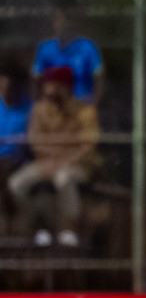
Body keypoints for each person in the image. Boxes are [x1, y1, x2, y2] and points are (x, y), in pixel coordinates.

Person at [8, 66, 98, 248]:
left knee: (63, 179)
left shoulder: (84, 111)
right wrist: (56, 157)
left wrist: (67, 159)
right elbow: (35, 142)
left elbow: (88, 146)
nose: (48, 90)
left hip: (74, 165)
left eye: (54, 85)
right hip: (45, 163)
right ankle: (39, 225)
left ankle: (67, 230)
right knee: (16, 184)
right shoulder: (40, 109)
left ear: (65, 86)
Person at [32, 7, 104, 104]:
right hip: (53, 108)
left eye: (62, 20)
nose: (58, 24)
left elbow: (98, 79)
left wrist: (92, 103)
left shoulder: (88, 47)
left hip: (80, 108)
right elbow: (36, 80)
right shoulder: (44, 48)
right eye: (56, 20)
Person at [0, 58, 33, 236]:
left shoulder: (27, 107)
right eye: (4, 81)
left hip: (18, 161)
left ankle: (16, 232)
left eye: (12, 82)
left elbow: (29, 141)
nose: (7, 87)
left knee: (8, 175)